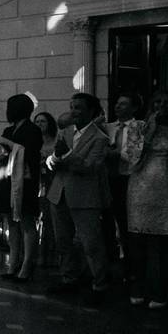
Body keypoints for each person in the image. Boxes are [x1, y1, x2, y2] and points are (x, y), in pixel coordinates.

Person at [46, 93, 111, 306]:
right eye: (72, 106)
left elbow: (90, 167)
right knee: (63, 240)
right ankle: (69, 278)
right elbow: (55, 158)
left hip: (84, 196)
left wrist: (65, 156)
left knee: (90, 243)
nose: (74, 111)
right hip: (60, 192)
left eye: (79, 108)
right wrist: (54, 159)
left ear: (91, 111)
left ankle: (99, 285)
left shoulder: (99, 138)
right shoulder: (65, 131)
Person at [125, 90, 168, 308]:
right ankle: (137, 288)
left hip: (165, 188)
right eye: (158, 102)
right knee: (137, 240)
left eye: (167, 103)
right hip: (140, 188)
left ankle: (159, 291)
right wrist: (150, 130)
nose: (162, 107)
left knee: (161, 244)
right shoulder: (137, 127)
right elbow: (131, 158)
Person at [0, 94, 43, 282]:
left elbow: (28, 152)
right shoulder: (8, 129)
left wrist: (7, 144)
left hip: (26, 181)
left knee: (27, 222)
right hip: (7, 179)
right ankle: (13, 263)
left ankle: (27, 264)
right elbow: (0, 154)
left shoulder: (33, 130)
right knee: (11, 222)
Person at [103, 92, 144, 281]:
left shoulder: (138, 127)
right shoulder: (108, 127)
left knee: (126, 223)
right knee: (107, 223)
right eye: (117, 103)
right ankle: (108, 263)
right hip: (108, 178)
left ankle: (131, 267)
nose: (118, 107)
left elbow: (134, 154)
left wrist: (116, 153)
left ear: (134, 108)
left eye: (123, 104)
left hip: (127, 177)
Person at [33, 111, 59, 267]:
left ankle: (49, 252)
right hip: (37, 181)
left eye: (43, 121)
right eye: (37, 121)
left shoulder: (55, 141)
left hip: (51, 180)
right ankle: (38, 253)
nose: (40, 124)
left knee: (49, 219)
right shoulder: (33, 141)